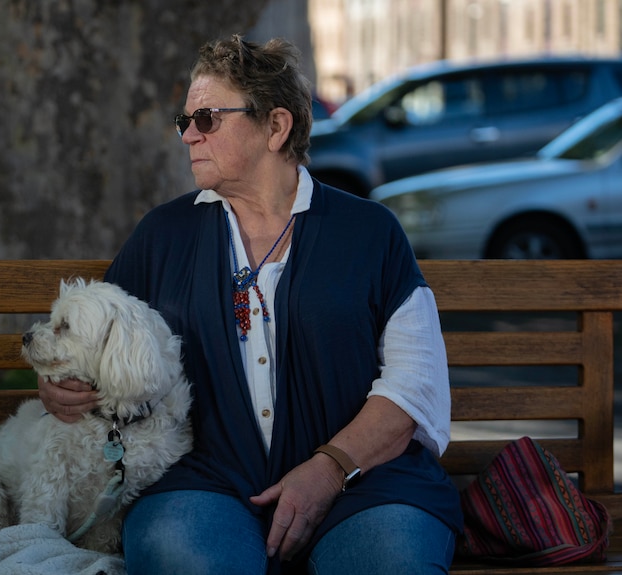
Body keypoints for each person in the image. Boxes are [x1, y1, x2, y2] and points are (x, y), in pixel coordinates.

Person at [39, 34, 463, 575]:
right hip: (204, 483)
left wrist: (329, 468)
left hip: (365, 485)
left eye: (208, 119)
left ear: (276, 127)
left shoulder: (369, 233)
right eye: (184, 121)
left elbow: (415, 384)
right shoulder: (163, 235)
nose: (189, 135)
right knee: (186, 558)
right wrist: (61, 383)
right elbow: (92, 337)